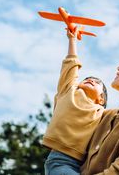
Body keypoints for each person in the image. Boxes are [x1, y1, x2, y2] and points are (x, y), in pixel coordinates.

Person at [43, 27, 108, 175]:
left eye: (97, 83)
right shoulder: (68, 91)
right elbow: (71, 65)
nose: (90, 80)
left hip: (85, 165)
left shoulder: (101, 113)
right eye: (86, 79)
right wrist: (72, 39)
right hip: (59, 161)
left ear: (101, 99)